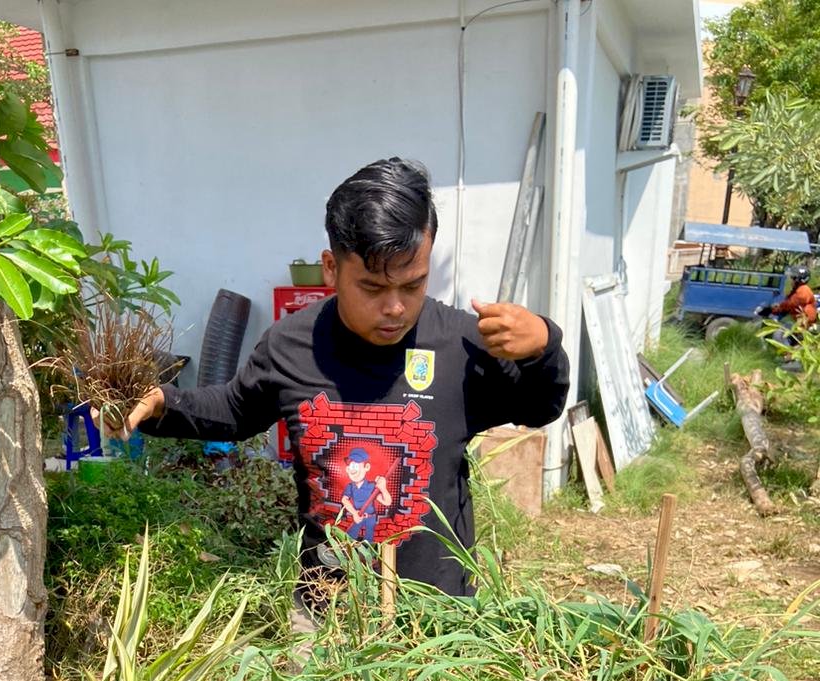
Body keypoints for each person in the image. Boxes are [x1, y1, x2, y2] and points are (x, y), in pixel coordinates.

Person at [115, 157, 569, 610]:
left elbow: (539, 408)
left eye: (413, 285)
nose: (394, 307)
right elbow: (235, 411)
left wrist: (543, 347)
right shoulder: (293, 345)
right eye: (372, 288)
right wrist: (162, 402)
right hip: (325, 612)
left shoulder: (460, 344)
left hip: (438, 614)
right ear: (331, 268)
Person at [757, 265, 817, 344]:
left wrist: (772, 310)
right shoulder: (798, 290)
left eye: (793, 278)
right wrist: (775, 308)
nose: (790, 280)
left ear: (798, 280)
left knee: (779, 334)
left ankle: (787, 355)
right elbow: (788, 304)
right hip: (798, 321)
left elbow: (790, 304)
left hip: (804, 324)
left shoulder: (803, 291)